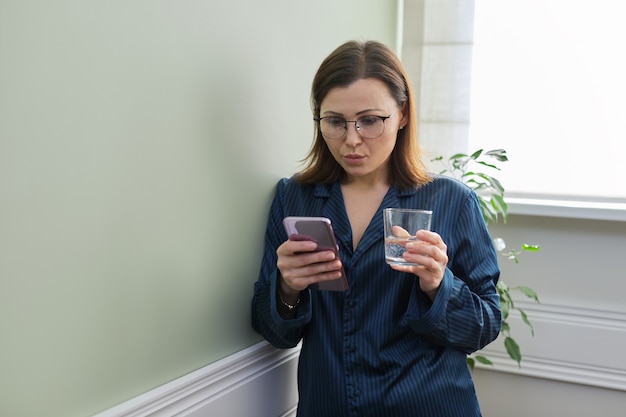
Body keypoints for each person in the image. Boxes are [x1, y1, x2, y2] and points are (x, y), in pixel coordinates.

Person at [251, 40, 501, 417]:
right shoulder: (294, 198)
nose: (351, 139)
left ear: (401, 115)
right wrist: (288, 287)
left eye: (370, 120)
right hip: (331, 404)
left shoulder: (453, 200)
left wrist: (438, 284)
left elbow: (484, 325)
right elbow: (275, 332)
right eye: (335, 121)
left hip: (430, 406)